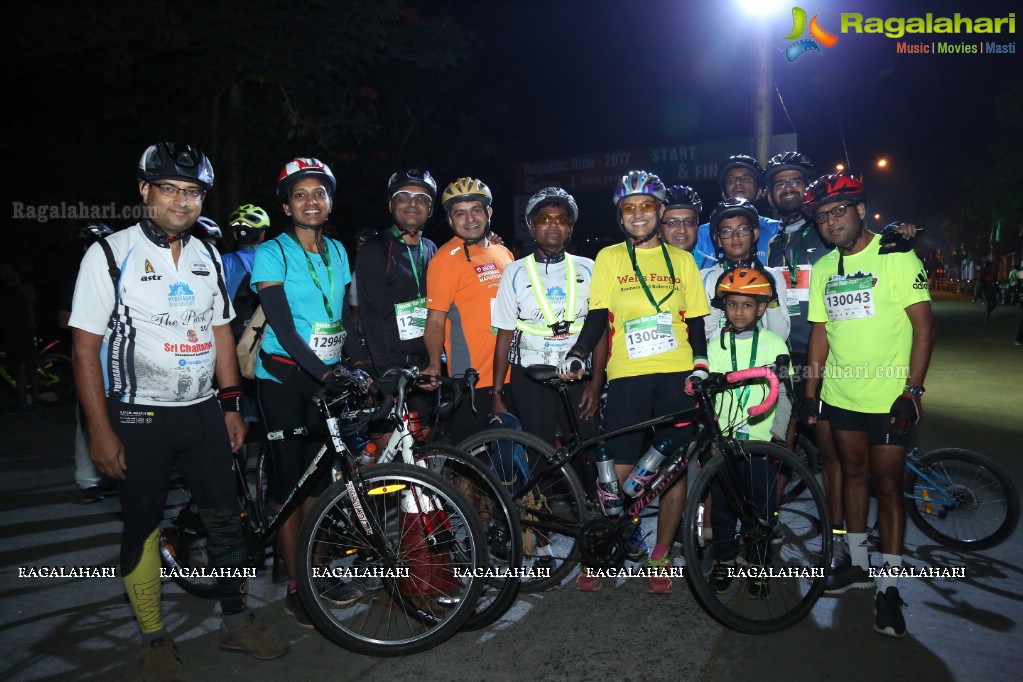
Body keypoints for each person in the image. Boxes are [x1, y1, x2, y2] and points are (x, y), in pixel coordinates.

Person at [69, 142, 289, 680]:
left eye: (192, 191)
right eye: (169, 188)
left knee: (225, 522)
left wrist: (232, 404)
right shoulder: (109, 254)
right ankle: (152, 636)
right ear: (144, 191)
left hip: (201, 413)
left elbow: (220, 331)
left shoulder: (207, 253)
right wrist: (100, 431)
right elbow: (83, 347)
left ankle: (235, 621)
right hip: (139, 416)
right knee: (141, 524)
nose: (181, 200)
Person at [562, 170, 710, 594]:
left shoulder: (682, 260)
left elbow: (696, 319)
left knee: (674, 470)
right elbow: (596, 317)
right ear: (620, 216)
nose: (639, 215)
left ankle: (662, 555)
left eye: (647, 206)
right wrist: (578, 352)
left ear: (660, 212)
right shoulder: (610, 258)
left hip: (676, 373)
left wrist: (699, 364)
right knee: (617, 472)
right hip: (627, 373)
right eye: (630, 208)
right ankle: (606, 546)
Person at [801, 172, 934, 638]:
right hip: (841, 394)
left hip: (889, 397)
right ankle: (858, 565)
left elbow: (923, 326)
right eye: (822, 216)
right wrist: (811, 394)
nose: (831, 221)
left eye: (839, 211)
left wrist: (912, 392)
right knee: (853, 475)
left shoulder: (896, 256)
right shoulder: (822, 269)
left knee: (888, 485)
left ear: (860, 211)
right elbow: (820, 333)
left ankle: (890, 586)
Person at [251, 157, 368, 628]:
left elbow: (344, 318)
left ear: (331, 200)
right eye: (300, 194)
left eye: (319, 193)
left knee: (323, 481)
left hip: (326, 372)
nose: (311, 201)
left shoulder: (339, 251)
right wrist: (325, 375)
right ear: (285, 205)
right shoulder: (272, 253)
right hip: (283, 374)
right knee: (291, 482)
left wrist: (357, 365)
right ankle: (296, 585)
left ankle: (314, 571)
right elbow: (283, 327)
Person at [490, 186, 606, 495]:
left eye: (561, 219)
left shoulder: (589, 268)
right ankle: (537, 531)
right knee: (537, 451)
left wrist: (596, 385)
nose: (553, 225)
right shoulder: (513, 272)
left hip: (579, 376)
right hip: (531, 375)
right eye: (544, 218)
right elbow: (504, 333)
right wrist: (498, 391)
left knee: (587, 450)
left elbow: (600, 329)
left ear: (569, 228)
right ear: (531, 226)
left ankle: (594, 518)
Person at [704, 266, 791, 597]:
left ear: (761, 308)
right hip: (724, 443)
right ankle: (723, 562)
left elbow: (784, 393)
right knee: (724, 507)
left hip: (761, 443)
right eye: (732, 305)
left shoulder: (774, 344)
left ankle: (759, 564)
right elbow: (707, 392)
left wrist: (779, 433)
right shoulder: (715, 346)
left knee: (762, 509)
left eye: (747, 305)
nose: (739, 312)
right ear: (724, 307)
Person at [422, 177, 514, 443]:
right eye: (459, 213)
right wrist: (432, 363)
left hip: (512, 374)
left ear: (489, 213)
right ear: (450, 221)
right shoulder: (443, 260)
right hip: (473, 380)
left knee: (515, 462)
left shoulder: (504, 252)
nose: (470, 218)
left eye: (476, 209)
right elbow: (436, 319)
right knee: (471, 465)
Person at [355, 169, 439, 444]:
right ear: (391, 204)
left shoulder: (430, 248)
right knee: (386, 451)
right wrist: (386, 370)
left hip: (422, 367)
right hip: (388, 365)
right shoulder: (376, 249)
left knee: (422, 441)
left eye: (421, 198)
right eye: (403, 196)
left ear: (430, 208)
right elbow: (369, 314)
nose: (412, 203)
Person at [60, 223, 114, 501]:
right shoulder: (78, 276)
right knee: (88, 417)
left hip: (119, 358)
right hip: (90, 355)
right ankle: (88, 480)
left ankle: (117, 472)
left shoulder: (121, 270)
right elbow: (63, 319)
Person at [696, 154, 780, 261]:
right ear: (724, 195)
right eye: (731, 180)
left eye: (746, 179)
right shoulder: (703, 233)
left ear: (759, 192)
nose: (738, 183)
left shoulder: (777, 230)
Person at [0, 261, 40, 415]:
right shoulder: (2, 290)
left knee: (32, 368)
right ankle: (23, 402)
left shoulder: (23, 287)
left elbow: (33, 298)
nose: (5, 273)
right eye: (2, 270)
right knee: (18, 369)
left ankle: (36, 401)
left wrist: (18, 282)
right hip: (10, 333)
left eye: (7, 269)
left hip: (27, 331)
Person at [659, 185, 716, 269]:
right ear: (658, 228)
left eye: (689, 222)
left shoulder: (712, 268)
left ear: (697, 225)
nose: (682, 230)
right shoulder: (645, 266)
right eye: (673, 223)